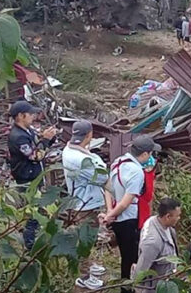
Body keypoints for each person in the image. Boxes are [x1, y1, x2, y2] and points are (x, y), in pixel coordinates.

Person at [102, 135, 160, 293]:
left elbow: (108, 188)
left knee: (126, 255)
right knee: (131, 257)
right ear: (145, 154)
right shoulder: (137, 173)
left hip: (117, 217)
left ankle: (128, 288)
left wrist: (109, 212)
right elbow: (127, 202)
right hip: (128, 219)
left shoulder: (118, 162)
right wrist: (111, 214)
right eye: (150, 154)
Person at [7, 100, 59, 249]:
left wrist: (49, 138)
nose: (33, 117)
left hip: (34, 177)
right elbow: (35, 155)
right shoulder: (18, 137)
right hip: (27, 180)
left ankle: (34, 241)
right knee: (32, 213)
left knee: (37, 211)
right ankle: (29, 246)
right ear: (21, 116)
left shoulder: (28, 131)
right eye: (30, 114)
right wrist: (46, 140)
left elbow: (39, 144)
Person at [135, 197, 182, 293]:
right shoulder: (153, 241)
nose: (179, 218)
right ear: (167, 216)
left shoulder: (163, 226)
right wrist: (138, 288)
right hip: (154, 291)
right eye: (177, 216)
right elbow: (142, 269)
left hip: (165, 283)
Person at [61, 120, 112, 221]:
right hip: (88, 205)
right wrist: (97, 159)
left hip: (79, 201)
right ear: (89, 135)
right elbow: (103, 177)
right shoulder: (82, 159)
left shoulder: (67, 150)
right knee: (91, 234)